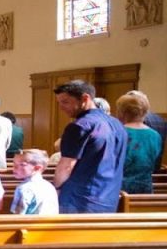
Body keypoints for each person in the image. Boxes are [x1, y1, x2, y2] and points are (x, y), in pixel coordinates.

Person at [52, 80, 127, 213]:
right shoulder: (117, 124)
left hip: (80, 199)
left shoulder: (79, 126)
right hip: (110, 196)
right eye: (59, 103)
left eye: (65, 102)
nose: (61, 107)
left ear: (85, 98)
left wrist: (56, 191)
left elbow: (66, 166)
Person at [116, 92, 162, 194]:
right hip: (145, 188)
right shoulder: (155, 135)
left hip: (120, 190)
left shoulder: (117, 132)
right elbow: (155, 163)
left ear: (122, 112)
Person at [9, 149, 59, 215]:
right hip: (50, 224)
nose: (14, 167)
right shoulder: (49, 186)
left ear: (37, 168)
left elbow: (17, 217)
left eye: (22, 165)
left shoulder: (24, 189)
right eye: (14, 163)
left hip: (29, 224)